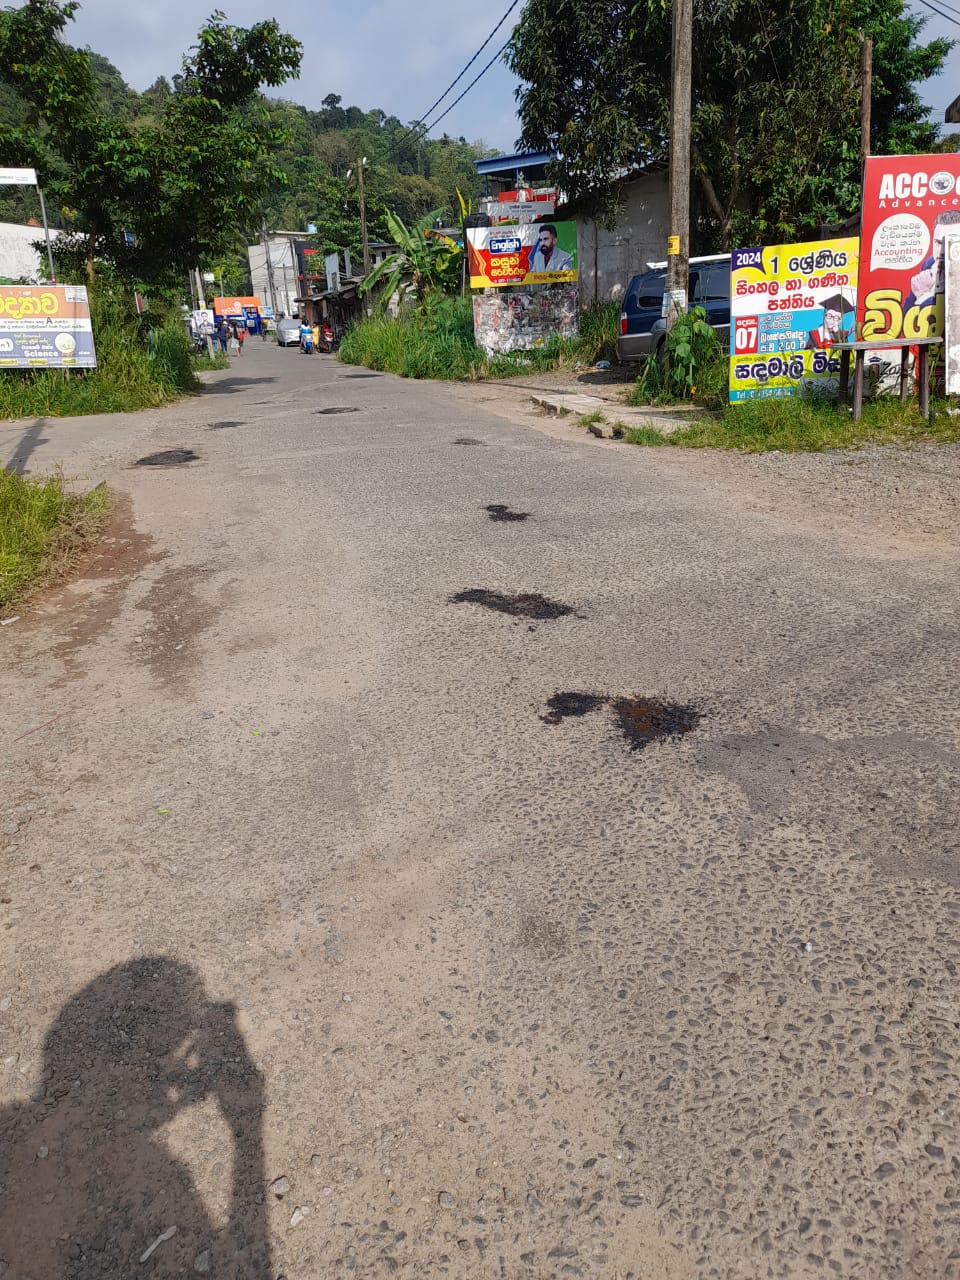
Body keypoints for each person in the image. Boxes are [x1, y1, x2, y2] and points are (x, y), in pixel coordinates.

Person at [905, 209, 960, 309]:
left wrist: (924, 296)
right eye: (938, 242)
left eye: (951, 243)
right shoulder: (929, 264)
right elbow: (904, 317)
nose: (942, 251)